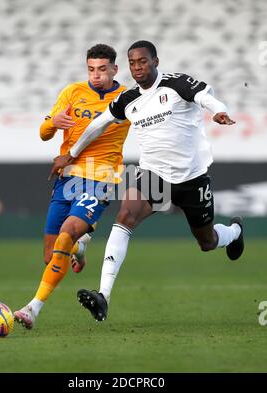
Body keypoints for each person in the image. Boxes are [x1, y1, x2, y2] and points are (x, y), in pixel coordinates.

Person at [54, 40, 245, 322]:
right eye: (132, 63)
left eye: (142, 61)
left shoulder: (176, 84)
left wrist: (217, 110)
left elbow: (205, 96)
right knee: (124, 216)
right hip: (154, 176)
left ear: (155, 61)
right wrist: (71, 154)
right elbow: (98, 124)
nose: (137, 67)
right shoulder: (128, 99)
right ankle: (103, 295)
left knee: (207, 241)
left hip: (192, 177)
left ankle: (234, 232)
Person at [14, 44, 130, 328]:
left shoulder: (127, 97)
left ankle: (32, 309)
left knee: (65, 234)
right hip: (67, 177)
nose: (96, 75)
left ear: (114, 69)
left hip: (102, 177)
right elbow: (44, 134)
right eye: (91, 69)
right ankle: (80, 245)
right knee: (51, 255)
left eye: (102, 69)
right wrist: (53, 122)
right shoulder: (72, 92)